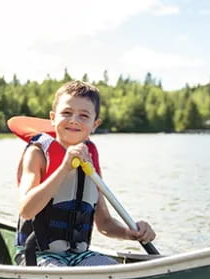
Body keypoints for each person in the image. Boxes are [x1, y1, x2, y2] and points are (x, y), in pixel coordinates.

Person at [15, 80, 155, 267]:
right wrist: (64, 168)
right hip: (36, 254)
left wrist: (129, 233)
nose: (74, 120)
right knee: (61, 275)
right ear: (52, 117)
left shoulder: (90, 160)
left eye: (83, 115)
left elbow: (104, 223)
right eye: (66, 113)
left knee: (115, 271)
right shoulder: (38, 154)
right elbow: (26, 209)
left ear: (94, 124)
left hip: (78, 256)